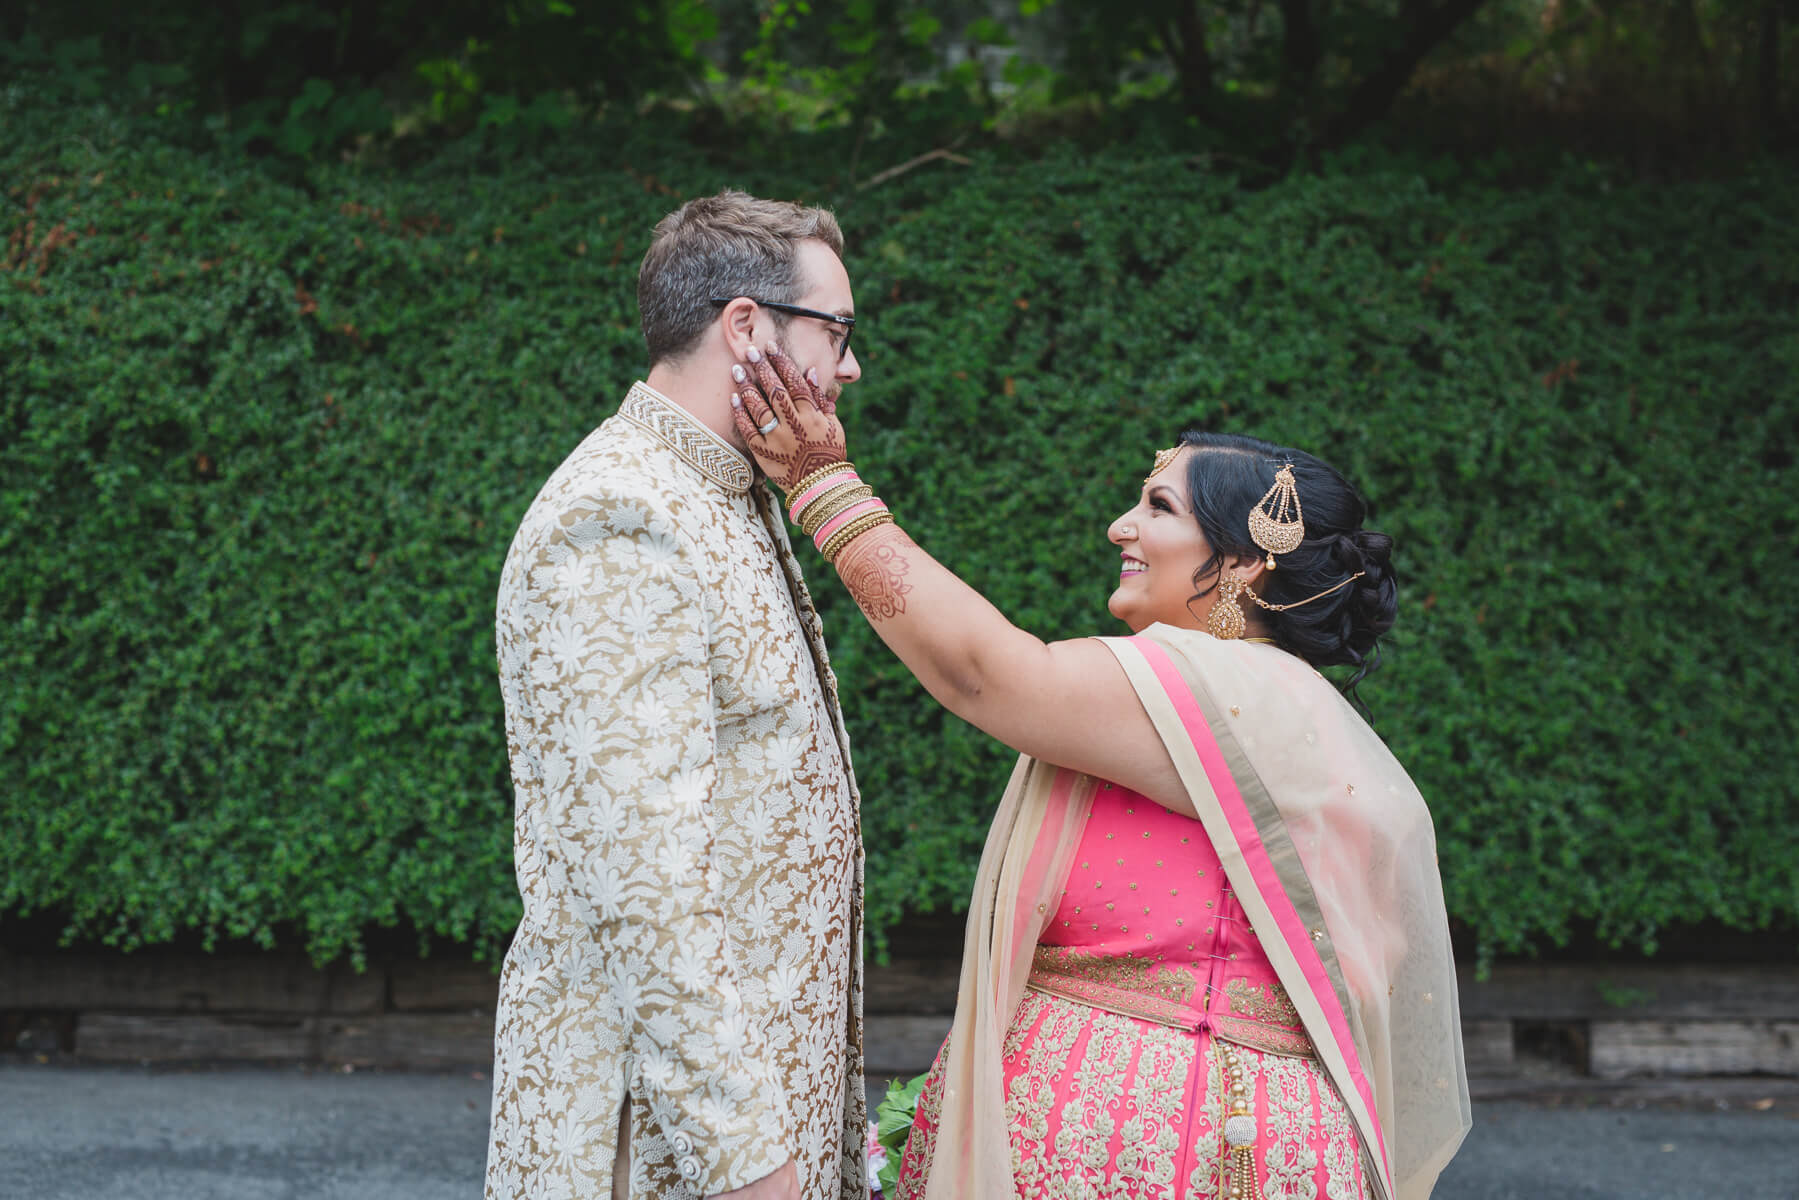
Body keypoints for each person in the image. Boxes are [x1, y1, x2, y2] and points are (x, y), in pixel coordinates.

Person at [725, 356, 1471, 1200]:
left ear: (1246, 561)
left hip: (1130, 1134)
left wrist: (825, 487)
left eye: (1158, 508)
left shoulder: (1220, 693)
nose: (1121, 526)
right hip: (1294, 1141)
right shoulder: (1329, 737)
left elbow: (986, 676)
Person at [486, 191, 871, 1200]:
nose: (851, 366)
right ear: (745, 326)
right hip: (658, 1155)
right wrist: (754, 1170)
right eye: (837, 332)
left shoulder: (718, 489)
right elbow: (643, 885)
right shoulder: (619, 514)